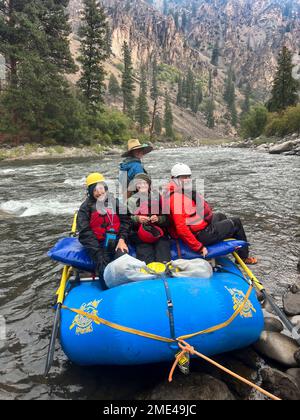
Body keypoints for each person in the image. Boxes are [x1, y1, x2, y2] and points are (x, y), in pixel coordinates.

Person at [164, 163, 258, 264]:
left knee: (220, 216)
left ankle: (222, 243)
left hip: (197, 228)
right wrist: (199, 248)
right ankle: (243, 258)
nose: (187, 180)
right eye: (183, 177)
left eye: (188, 177)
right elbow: (181, 228)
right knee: (236, 222)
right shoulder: (176, 198)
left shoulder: (177, 191)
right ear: (173, 178)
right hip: (200, 235)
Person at [77, 173, 131, 288]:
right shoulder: (85, 208)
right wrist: (97, 252)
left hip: (117, 241)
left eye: (101, 188)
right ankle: (107, 290)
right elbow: (84, 233)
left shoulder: (114, 202)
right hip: (98, 245)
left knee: (122, 263)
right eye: (96, 190)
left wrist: (122, 239)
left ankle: (126, 290)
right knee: (103, 266)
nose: (100, 192)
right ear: (91, 191)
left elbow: (126, 221)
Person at [116, 173, 171, 265]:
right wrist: (137, 219)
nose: (142, 185)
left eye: (145, 183)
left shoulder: (158, 198)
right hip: (140, 234)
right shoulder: (130, 201)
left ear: (149, 185)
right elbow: (126, 220)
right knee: (144, 249)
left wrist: (158, 219)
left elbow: (167, 220)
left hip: (157, 232)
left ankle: (165, 268)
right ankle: (148, 269)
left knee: (162, 246)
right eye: (139, 183)